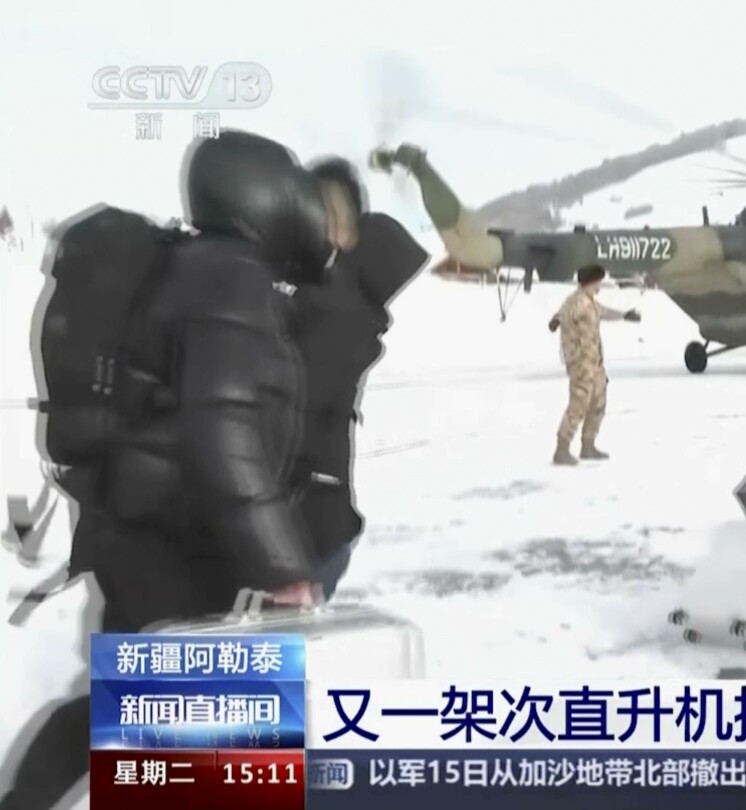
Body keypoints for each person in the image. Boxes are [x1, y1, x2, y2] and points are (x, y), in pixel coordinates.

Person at [0, 130, 332, 810]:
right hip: (185, 546)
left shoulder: (191, 267)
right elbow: (221, 429)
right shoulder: (230, 276)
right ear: (261, 194)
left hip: (139, 534)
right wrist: (283, 564)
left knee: (128, 711)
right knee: (194, 724)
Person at [293, 157, 429, 599]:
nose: (327, 231)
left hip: (306, 537)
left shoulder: (334, 309)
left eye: (337, 219)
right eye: (316, 217)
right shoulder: (315, 303)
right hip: (306, 534)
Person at [547, 264, 640, 465]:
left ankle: (588, 445)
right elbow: (575, 324)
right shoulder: (580, 305)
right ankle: (561, 449)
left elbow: (602, 311)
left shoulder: (586, 302)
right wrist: (557, 321)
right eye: (598, 282)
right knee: (578, 404)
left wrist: (624, 315)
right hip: (582, 362)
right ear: (591, 282)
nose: (599, 286)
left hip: (593, 363)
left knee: (598, 402)